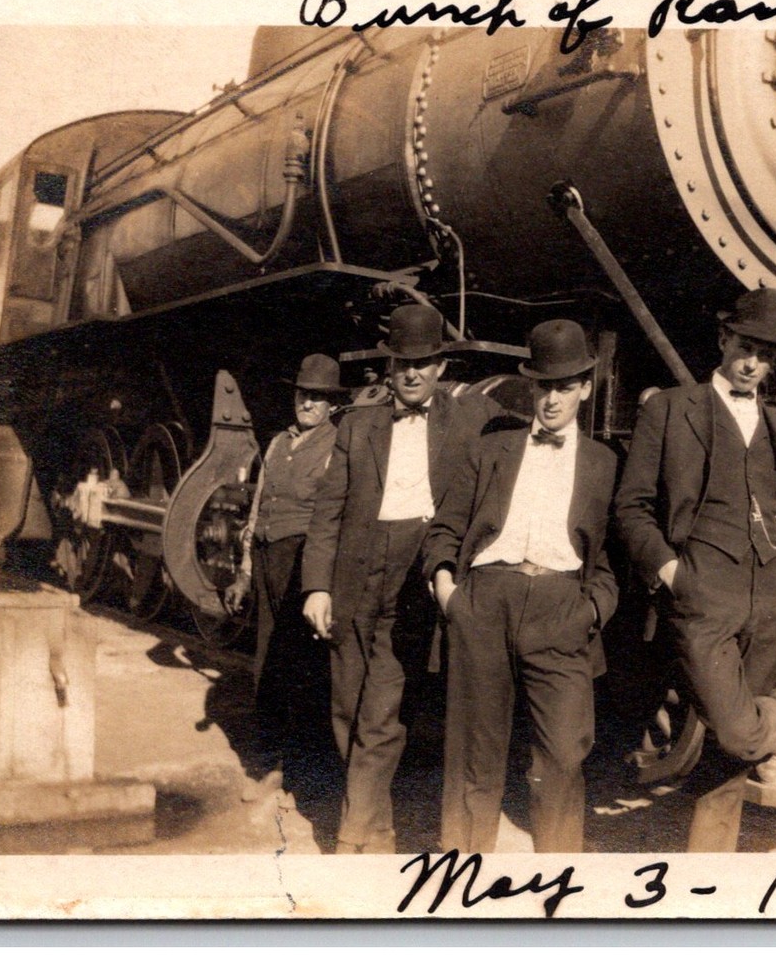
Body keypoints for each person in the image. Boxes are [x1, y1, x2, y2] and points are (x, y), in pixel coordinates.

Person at [300, 304, 500, 853]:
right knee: (346, 707)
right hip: (353, 573)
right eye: (402, 364)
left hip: (414, 574)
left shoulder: (472, 418)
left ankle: (349, 836)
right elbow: (328, 512)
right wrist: (317, 585)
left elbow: (520, 442)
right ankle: (380, 830)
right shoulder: (356, 426)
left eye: (424, 363)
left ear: (442, 367)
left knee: (381, 710)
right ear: (389, 368)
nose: (412, 373)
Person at [614, 287, 776, 847]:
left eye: (765, 355)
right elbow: (633, 505)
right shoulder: (671, 409)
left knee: (728, 762)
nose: (751, 364)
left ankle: (708, 868)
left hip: (770, 597)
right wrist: (670, 572)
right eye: (745, 347)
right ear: (724, 340)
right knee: (735, 731)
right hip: (701, 595)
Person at [422, 319, 619, 854]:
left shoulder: (604, 465)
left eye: (563, 386)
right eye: (542, 386)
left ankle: (559, 879)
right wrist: (450, 595)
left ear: (585, 387)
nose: (551, 399)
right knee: (475, 756)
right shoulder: (493, 449)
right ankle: (460, 877)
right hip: (484, 601)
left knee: (562, 755)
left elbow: (610, 560)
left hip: (562, 609)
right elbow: (445, 530)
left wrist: (591, 611)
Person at [224, 354, 347, 803]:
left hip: (305, 561)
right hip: (268, 558)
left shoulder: (338, 446)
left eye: (318, 398)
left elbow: (334, 516)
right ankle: (267, 758)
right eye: (303, 395)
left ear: (332, 405)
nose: (308, 404)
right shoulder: (277, 443)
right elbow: (258, 506)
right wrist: (244, 571)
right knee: (267, 661)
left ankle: (306, 772)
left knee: (305, 668)